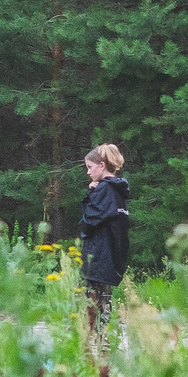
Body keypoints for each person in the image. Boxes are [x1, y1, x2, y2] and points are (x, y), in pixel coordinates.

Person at [79, 141, 130, 345]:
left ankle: (88, 347)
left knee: (87, 306)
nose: (88, 172)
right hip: (112, 258)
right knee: (104, 305)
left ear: (102, 165)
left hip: (97, 258)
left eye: (90, 167)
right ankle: (103, 347)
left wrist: (91, 195)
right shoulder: (118, 191)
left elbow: (87, 222)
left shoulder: (104, 190)